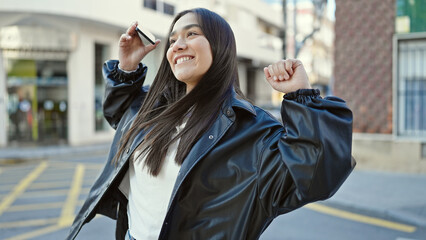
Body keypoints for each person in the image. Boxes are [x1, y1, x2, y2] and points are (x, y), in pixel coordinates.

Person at [67, 8, 355, 240]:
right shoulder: (151, 109)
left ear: (220, 46)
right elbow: (119, 114)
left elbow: (315, 176)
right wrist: (127, 68)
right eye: (173, 39)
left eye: (192, 33)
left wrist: (301, 96)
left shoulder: (251, 130)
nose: (178, 44)